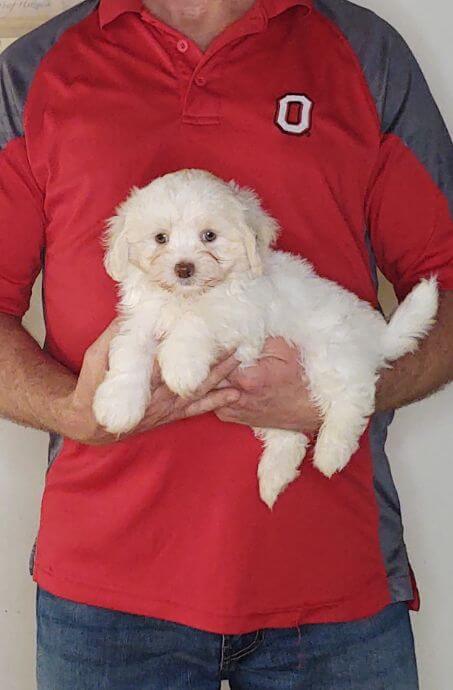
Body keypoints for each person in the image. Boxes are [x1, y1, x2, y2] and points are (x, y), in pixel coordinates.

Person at [0, 0, 452, 687]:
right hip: (105, 595)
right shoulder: (35, 69)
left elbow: (444, 282)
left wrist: (346, 394)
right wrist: (67, 410)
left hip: (331, 583)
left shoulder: (364, 53)